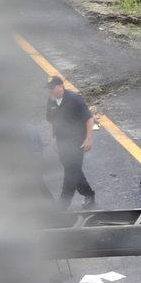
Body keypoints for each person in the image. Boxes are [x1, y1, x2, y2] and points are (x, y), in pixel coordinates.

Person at [45, 76, 96, 209]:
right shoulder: (51, 101)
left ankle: (64, 203)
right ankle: (89, 194)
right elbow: (50, 121)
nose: (51, 91)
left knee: (71, 170)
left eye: (52, 88)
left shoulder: (74, 99)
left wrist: (89, 138)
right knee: (72, 169)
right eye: (49, 89)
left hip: (76, 141)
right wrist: (52, 138)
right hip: (62, 141)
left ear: (61, 86)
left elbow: (89, 119)